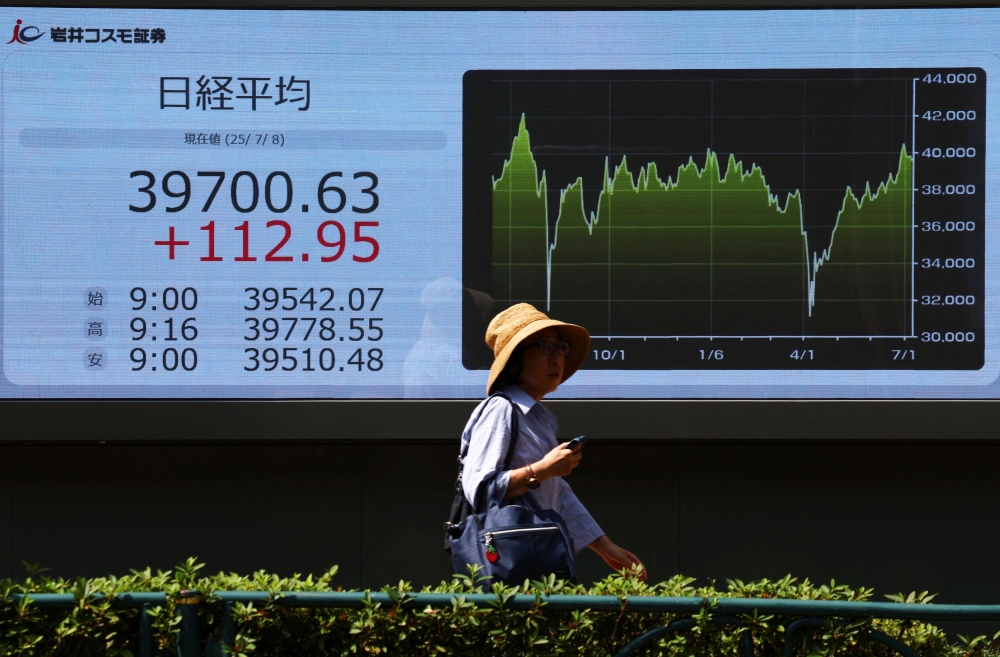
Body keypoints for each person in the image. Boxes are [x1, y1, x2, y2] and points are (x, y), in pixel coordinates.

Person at [459, 303, 646, 580]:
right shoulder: (500, 409)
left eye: (561, 348)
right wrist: (542, 469)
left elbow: (559, 497)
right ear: (513, 362)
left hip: (535, 558)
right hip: (507, 564)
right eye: (544, 346)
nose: (557, 358)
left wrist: (606, 548)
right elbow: (480, 489)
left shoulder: (540, 419)